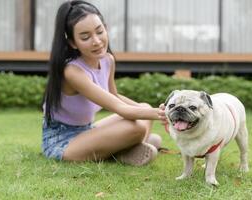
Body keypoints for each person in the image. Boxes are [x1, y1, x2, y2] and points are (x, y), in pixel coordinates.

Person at [42, 0, 165, 166]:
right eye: (85, 37)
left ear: (106, 28)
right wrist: (165, 114)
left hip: (86, 130)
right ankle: (125, 149)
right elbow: (120, 109)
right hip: (62, 141)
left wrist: (149, 111)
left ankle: (126, 148)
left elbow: (113, 96)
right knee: (138, 128)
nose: (97, 41)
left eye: (99, 32)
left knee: (143, 108)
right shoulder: (73, 72)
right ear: (72, 42)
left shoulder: (108, 60)